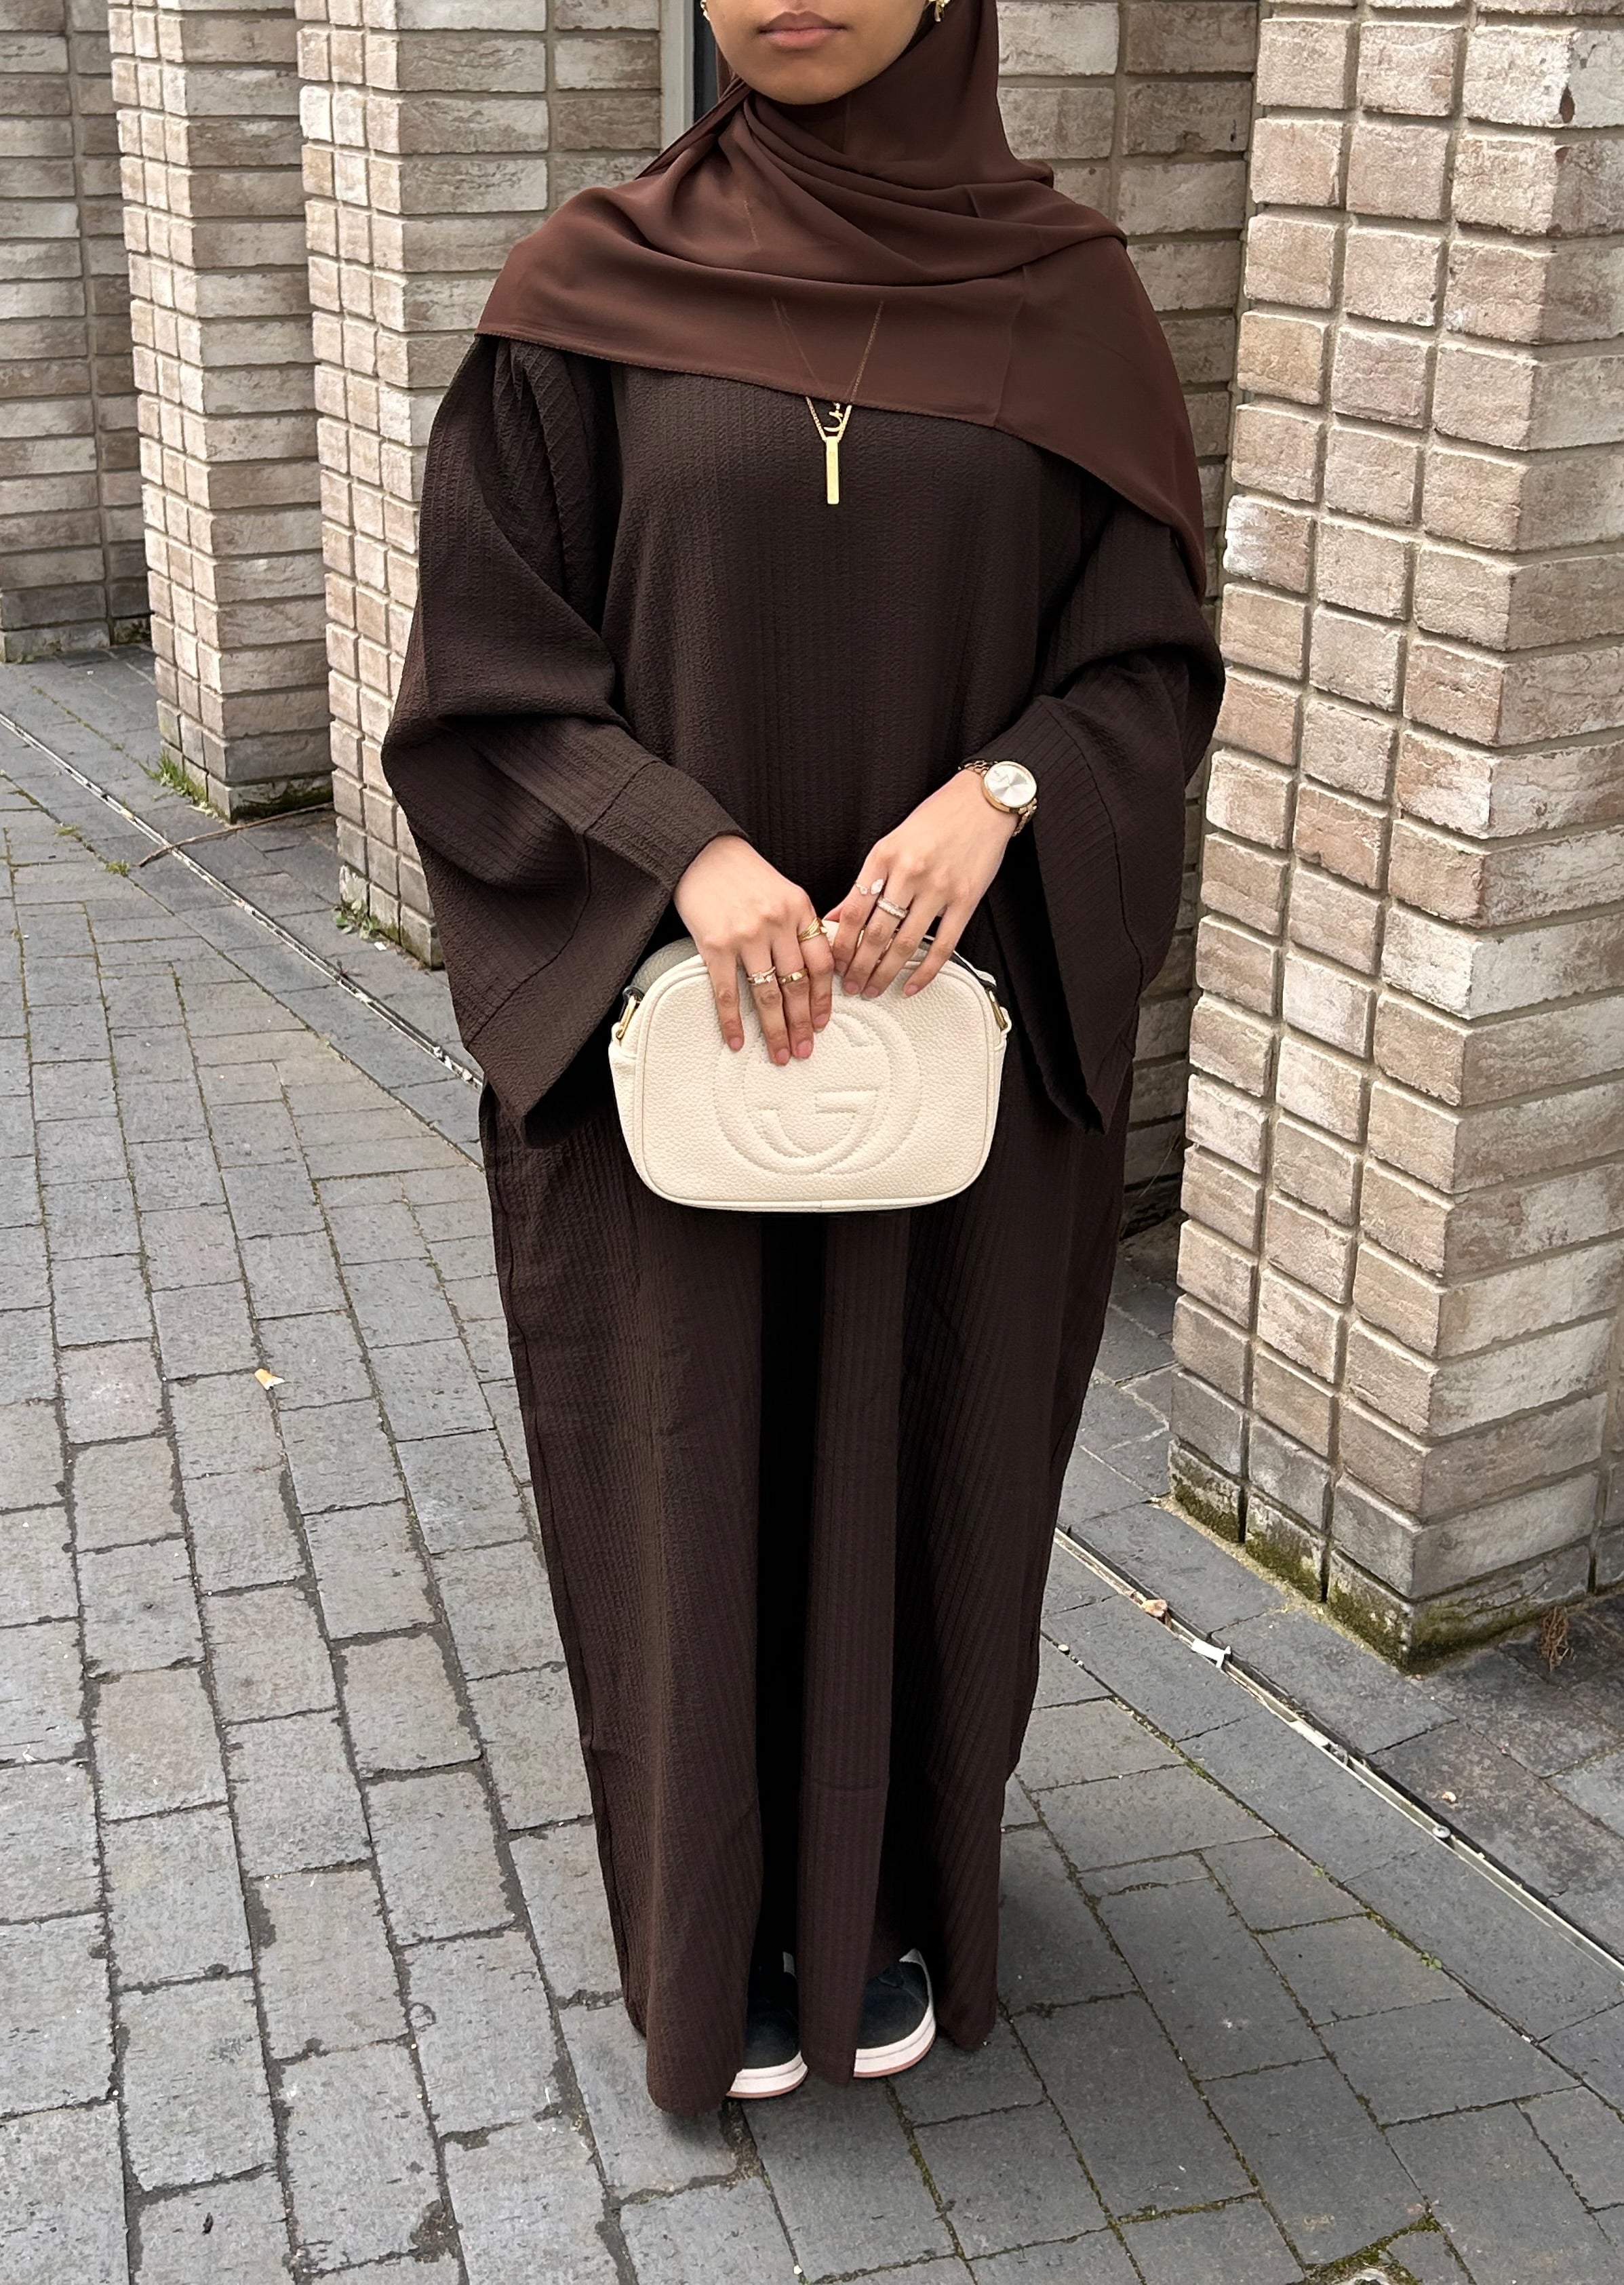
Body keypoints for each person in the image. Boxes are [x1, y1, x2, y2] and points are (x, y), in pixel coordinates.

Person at [380, 0, 1222, 2116]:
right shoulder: (585, 293)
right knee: (687, 1456)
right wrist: (684, 847)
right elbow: (482, 680)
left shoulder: (1071, 303)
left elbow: (1146, 666)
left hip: (952, 1039)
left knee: (935, 1449)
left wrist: (1009, 795)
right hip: (677, 1035)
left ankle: (891, 1896)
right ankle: (713, 1927)